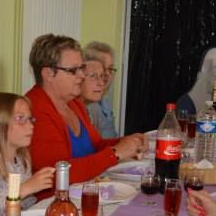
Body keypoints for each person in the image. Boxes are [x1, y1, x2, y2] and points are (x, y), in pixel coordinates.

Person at [26, 34, 145, 190]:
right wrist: (116, 153)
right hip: (53, 202)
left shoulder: (73, 102)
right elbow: (57, 174)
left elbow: (95, 146)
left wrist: (127, 142)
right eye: (73, 70)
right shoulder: (34, 110)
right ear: (48, 74)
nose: (81, 75)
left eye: (81, 68)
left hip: (87, 191)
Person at [83, 41, 118, 139]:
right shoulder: (90, 105)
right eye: (94, 75)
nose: (106, 75)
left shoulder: (106, 97)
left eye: (110, 69)